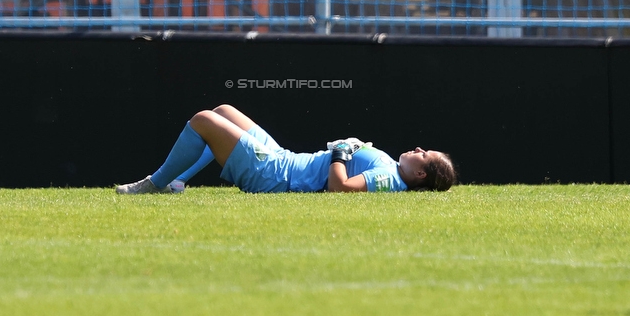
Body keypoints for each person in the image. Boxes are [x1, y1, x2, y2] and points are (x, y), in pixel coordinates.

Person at [115, 104, 457, 194]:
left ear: (421, 173)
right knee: (224, 111)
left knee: (203, 120)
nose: (417, 149)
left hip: (276, 176)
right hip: (285, 160)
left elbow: (341, 189)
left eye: (423, 154)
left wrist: (341, 150)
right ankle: (176, 182)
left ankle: (154, 183)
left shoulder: (389, 179)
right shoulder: (393, 170)